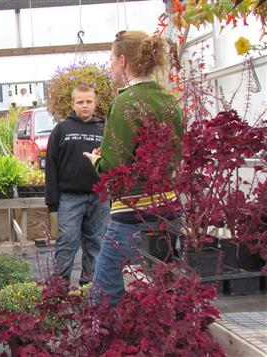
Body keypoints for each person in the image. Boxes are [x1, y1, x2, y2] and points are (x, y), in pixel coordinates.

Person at [83, 30, 183, 306]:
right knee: (163, 294)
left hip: (132, 214)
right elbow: (176, 155)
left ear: (124, 61)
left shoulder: (125, 102)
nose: (110, 66)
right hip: (170, 209)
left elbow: (114, 169)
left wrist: (95, 161)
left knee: (104, 296)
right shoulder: (170, 100)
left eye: (111, 59)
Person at [45, 85, 110, 286]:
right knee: (67, 242)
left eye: (88, 101)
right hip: (70, 197)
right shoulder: (62, 129)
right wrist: (52, 202)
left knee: (96, 243)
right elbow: (51, 165)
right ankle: (59, 287)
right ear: (73, 104)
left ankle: (90, 286)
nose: (84, 106)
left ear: (95, 103)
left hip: (100, 197)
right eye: (80, 102)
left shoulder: (104, 129)